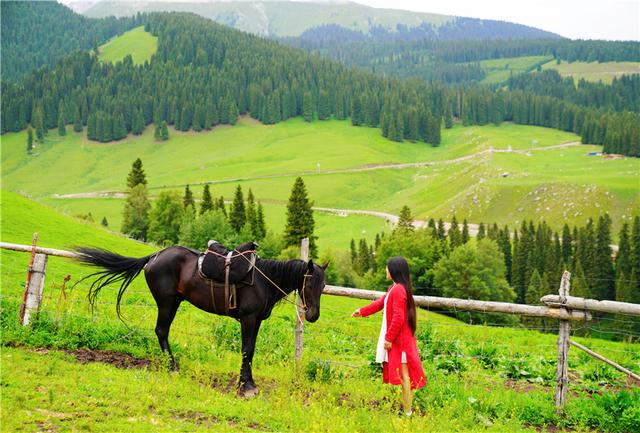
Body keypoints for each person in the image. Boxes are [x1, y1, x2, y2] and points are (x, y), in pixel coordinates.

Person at [352, 256, 425, 416]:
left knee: (405, 376)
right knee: (404, 375)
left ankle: (407, 412)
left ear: (394, 270)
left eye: (387, 267)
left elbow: (398, 317)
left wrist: (388, 338)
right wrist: (362, 311)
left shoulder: (398, 290)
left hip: (401, 341)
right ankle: (407, 410)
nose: (386, 270)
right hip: (400, 339)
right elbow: (380, 303)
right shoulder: (395, 288)